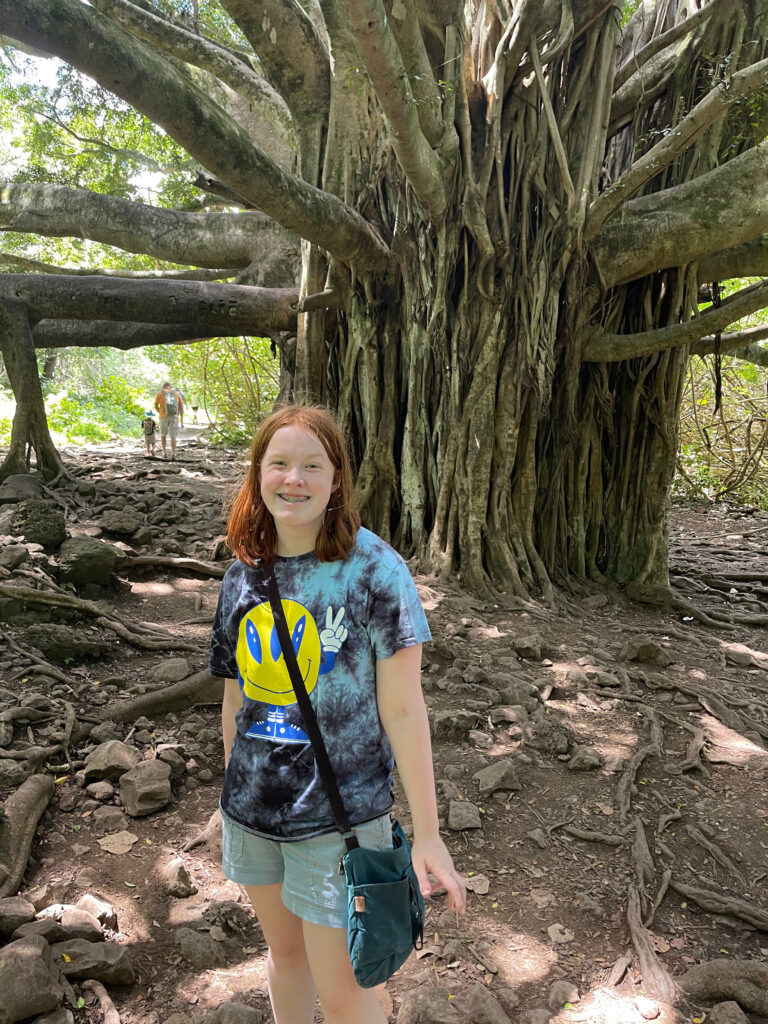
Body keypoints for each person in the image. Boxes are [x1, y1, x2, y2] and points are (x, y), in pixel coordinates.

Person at [209, 405, 465, 1024]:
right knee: (285, 958)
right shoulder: (243, 574)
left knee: (347, 989)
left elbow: (404, 710)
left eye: (311, 465)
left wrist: (427, 835)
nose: (293, 479)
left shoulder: (375, 571)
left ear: (335, 478)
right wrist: (231, 799)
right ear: (258, 474)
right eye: (279, 464)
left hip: (340, 819)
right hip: (253, 810)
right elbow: (235, 699)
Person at [153, 381, 184, 460]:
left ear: (163, 386)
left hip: (163, 416)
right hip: (174, 416)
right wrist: (178, 414)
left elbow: (156, 405)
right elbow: (180, 406)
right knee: (173, 436)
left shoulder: (159, 393)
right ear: (170, 387)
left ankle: (164, 452)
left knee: (163, 434)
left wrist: (160, 412)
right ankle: (173, 453)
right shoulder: (176, 393)